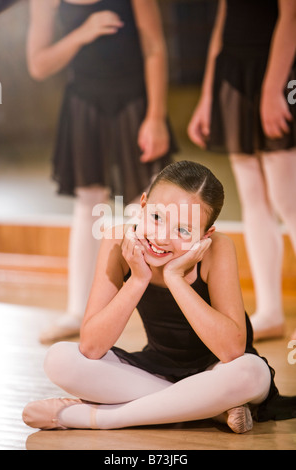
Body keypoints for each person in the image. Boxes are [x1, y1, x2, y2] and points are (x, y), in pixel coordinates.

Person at [22, 161, 296, 434]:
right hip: (156, 370)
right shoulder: (117, 241)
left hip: (220, 372)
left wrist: (175, 279)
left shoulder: (218, 249)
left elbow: (231, 351)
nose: (162, 237)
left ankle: (97, 418)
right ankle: (208, 408)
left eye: (184, 230)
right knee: (59, 359)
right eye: (156, 217)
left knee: (251, 373)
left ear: (205, 234)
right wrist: (138, 279)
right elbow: (92, 346)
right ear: (142, 205)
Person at [27, 0, 176, 343]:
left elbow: (154, 47)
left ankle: (165, 320)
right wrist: (82, 33)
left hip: (134, 101)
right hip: (83, 104)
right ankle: (78, 311)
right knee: (87, 204)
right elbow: (39, 64)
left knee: (145, 209)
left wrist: (155, 116)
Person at [188, 0, 296, 341]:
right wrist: (208, 96)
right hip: (233, 72)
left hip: (278, 69)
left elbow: (291, 15)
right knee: (253, 198)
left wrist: (272, 90)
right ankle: (270, 310)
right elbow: (224, 20)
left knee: (287, 199)